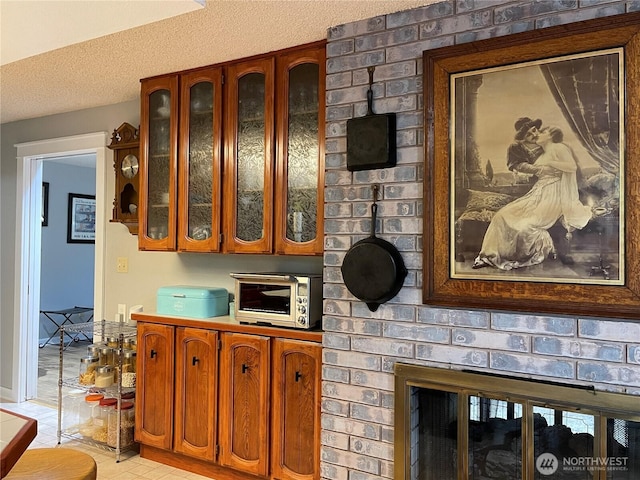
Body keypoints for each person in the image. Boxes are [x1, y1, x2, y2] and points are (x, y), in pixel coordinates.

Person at [473, 126, 592, 270]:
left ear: (550, 136)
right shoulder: (542, 154)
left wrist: (551, 164)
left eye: (541, 132)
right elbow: (532, 172)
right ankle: (487, 255)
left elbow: (572, 167)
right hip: (537, 194)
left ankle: (544, 244)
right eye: (534, 132)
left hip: (552, 196)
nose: (536, 134)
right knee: (501, 215)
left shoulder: (558, 147)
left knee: (526, 225)